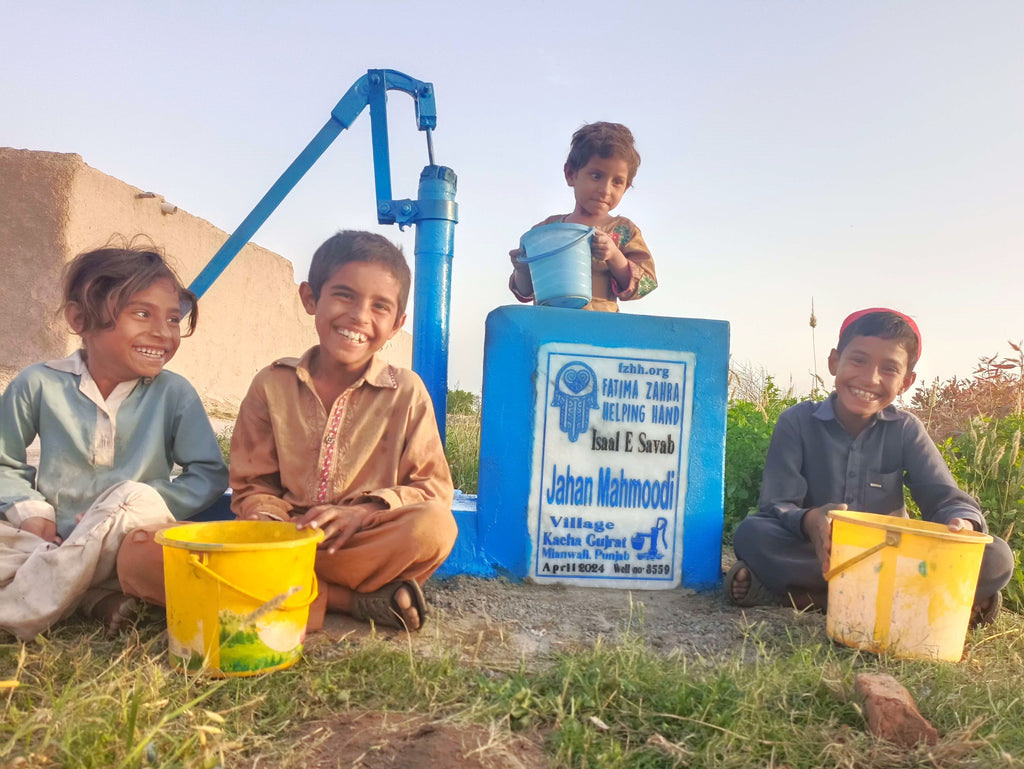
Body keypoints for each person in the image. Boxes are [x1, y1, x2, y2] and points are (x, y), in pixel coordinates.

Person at [119, 231, 457, 632]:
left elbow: (432, 489)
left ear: (397, 323)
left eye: (379, 306)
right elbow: (253, 485)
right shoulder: (271, 385)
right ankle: (348, 601)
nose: (359, 317)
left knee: (434, 526)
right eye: (344, 295)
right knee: (139, 551)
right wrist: (268, 521)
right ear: (310, 298)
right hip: (275, 543)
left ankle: (271, 594)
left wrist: (362, 513)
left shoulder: (406, 392)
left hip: (354, 545)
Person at [0, 242, 228, 640]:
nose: (162, 332)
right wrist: (32, 512)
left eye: (173, 319)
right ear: (79, 318)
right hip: (53, 535)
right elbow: (3, 462)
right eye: (142, 313)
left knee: (137, 506)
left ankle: (37, 599)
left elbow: (208, 474)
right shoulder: (39, 383)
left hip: (131, 537)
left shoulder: (174, 393)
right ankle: (88, 598)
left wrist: (128, 507)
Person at [726, 308, 1013, 624]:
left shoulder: (906, 429)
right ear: (835, 361)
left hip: (892, 558)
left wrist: (962, 524)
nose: (870, 378)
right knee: (753, 534)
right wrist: (811, 521)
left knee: (996, 558)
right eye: (858, 360)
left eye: (889, 369)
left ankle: (801, 596)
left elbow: (946, 500)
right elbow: (777, 506)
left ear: (906, 382)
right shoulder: (796, 422)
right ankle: (924, 599)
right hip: (820, 553)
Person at [508, 121, 658, 312]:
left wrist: (614, 256)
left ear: (626, 187)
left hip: (600, 332)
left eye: (617, 182)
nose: (605, 190)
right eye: (596, 176)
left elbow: (646, 283)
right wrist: (522, 269)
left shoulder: (623, 231)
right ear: (571, 174)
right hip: (550, 327)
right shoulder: (546, 231)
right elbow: (525, 290)